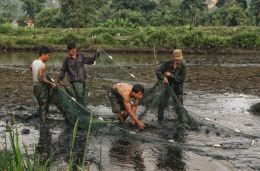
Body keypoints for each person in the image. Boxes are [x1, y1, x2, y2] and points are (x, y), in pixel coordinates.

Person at [156, 49, 187, 121]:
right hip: (166, 88)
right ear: (173, 58)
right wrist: (163, 78)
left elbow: (181, 79)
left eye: (179, 59)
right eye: (177, 59)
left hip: (177, 90)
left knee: (179, 107)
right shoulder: (167, 64)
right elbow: (158, 72)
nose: (178, 61)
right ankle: (160, 121)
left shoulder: (183, 67)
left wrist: (170, 75)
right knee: (161, 104)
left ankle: (180, 121)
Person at [31, 47, 56, 123]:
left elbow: (30, 68)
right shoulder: (43, 65)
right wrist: (51, 83)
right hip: (41, 87)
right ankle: (43, 122)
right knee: (43, 105)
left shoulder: (34, 62)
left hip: (35, 86)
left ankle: (44, 119)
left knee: (41, 103)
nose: (48, 57)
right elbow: (41, 79)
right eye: (48, 55)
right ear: (42, 54)